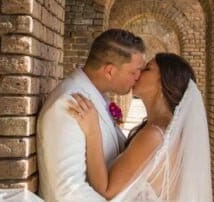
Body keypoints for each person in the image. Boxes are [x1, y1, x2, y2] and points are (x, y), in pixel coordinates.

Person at [68, 53, 213, 201]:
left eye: (147, 69)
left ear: (163, 83)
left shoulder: (154, 135)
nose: (138, 74)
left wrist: (93, 131)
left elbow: (106, 190)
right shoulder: (164, 130)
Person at [37, 29, 146, 202]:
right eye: (134, 72)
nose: (138, 78)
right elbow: (68, 191)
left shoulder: (97, 96)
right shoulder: (69, 104)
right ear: (109, 71)